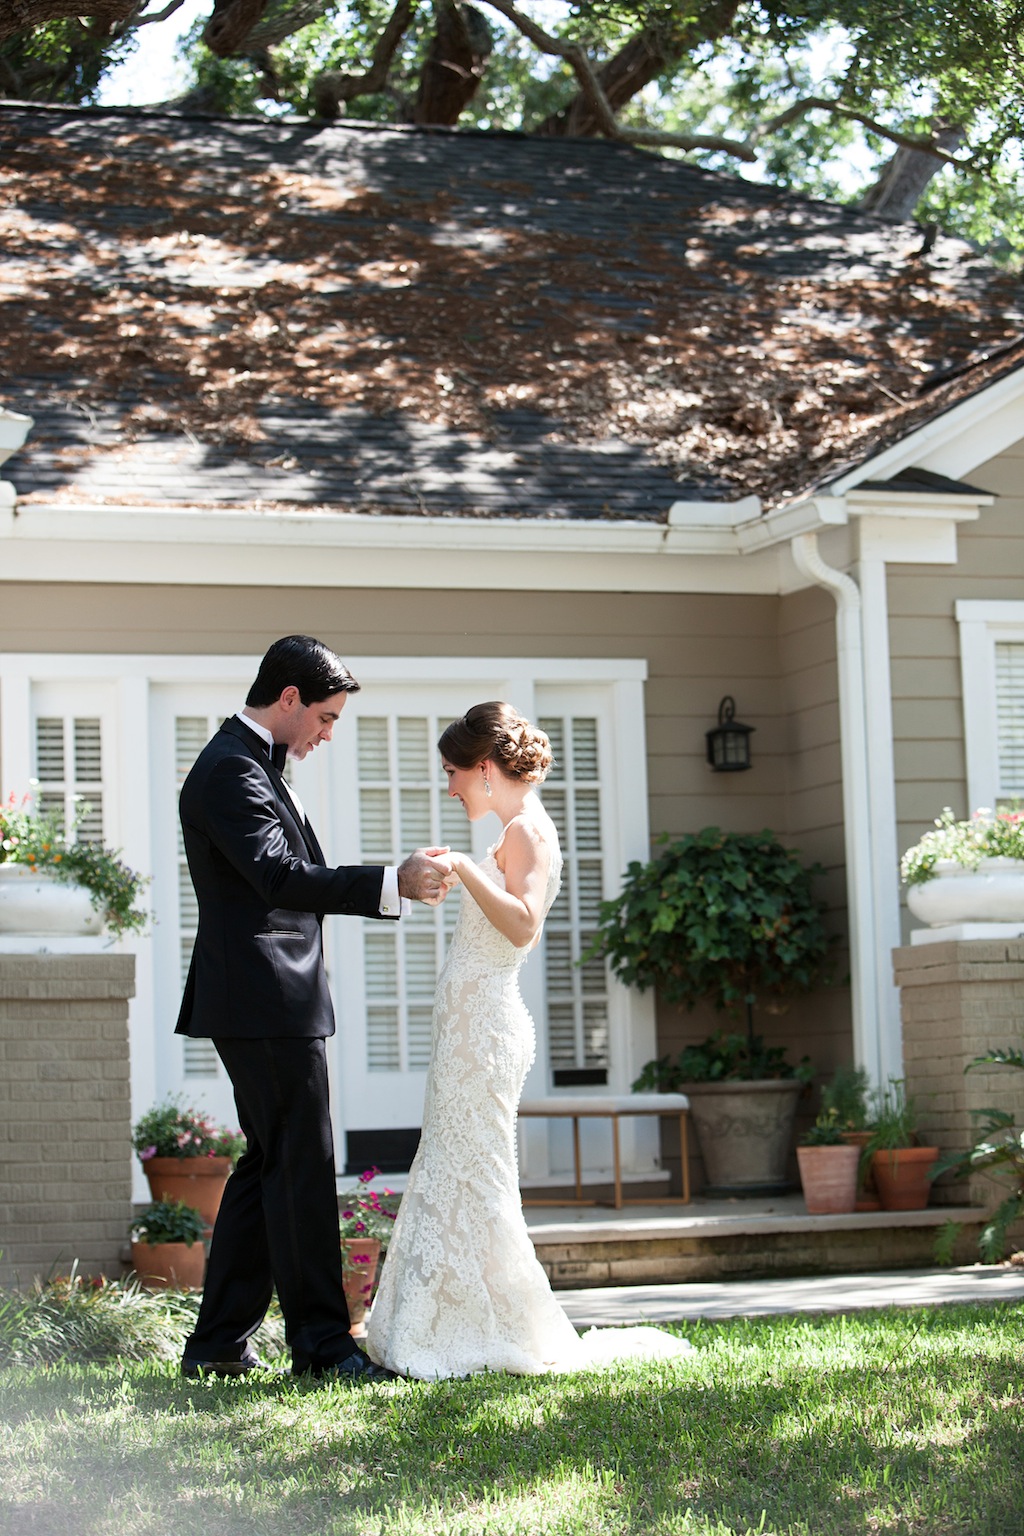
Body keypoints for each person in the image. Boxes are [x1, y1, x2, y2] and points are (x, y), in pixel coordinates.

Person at [366, 702, 692, 1379]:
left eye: (455, 772)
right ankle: (441, 1321)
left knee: (478, 1177)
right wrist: (462, 871)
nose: (451, 786)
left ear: (485, 768)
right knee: (451, 1170)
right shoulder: (512, 831)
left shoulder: (528, 831)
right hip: (468, 1032)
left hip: (487, 1033)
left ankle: (495, 1327)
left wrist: (461, 862)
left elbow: (522, 926)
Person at [175, 635, 452, 1383]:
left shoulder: (250, 763)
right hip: (264, 1000)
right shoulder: (232, 769)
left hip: (267, 997)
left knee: (270, 1164)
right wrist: (390, 883)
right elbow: (277, 876)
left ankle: (217, 1345)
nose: (329, 734)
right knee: (301, 1166)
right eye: (326, 718)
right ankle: (323, 1349)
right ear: (289, 699)